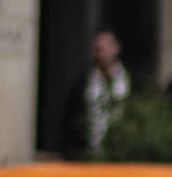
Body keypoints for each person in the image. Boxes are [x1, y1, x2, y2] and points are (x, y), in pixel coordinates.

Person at [56, 26, 131, 160]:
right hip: (89, 157)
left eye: (106, 47)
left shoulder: (131, 82)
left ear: (116, 48)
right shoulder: (84, 83)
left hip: (122, 158)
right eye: (97, 49)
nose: (101, 53)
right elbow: (70, 121)